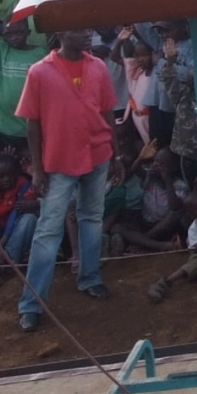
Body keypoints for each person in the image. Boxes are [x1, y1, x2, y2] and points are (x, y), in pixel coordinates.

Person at [14, 28, 121, 331]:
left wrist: (116, 153)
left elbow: (108, 112)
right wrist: (37, 168)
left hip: (97, 154)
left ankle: (90, 277)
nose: (88, 35)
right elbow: (32, 124)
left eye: (89, 30)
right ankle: (32, 303)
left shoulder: (97, 66)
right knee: (48, 230)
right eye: (80, 30)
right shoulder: (40, 72)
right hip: (59, 161)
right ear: (61, 34)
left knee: (92, 218)